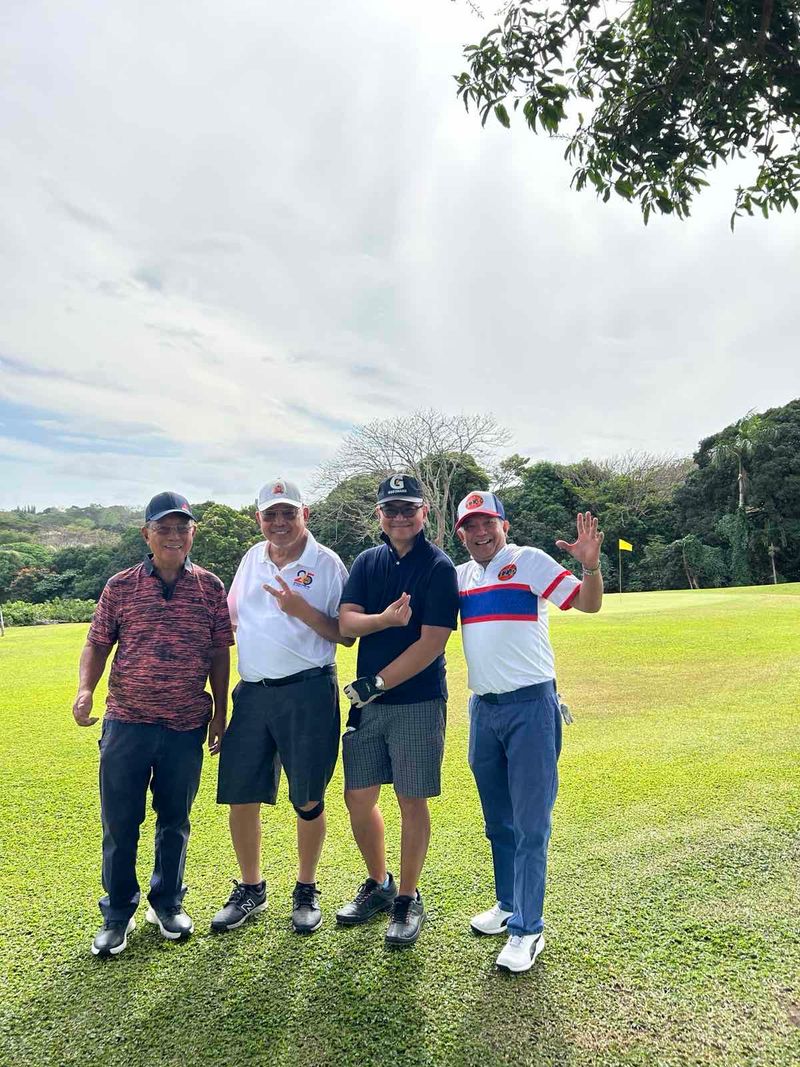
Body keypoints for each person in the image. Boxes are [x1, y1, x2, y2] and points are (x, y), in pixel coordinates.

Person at [72, 492, 233, 957]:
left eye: (182, 527)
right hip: (127, 722)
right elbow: (97, 642)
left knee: (175, 821)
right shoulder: (120, 586)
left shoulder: (210, 587)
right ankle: (117, 912)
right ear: (147, 534)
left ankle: (167, 902)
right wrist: (85, 689)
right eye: (164, 528)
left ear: (193, 533)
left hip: (184, 725)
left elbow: (219, 651)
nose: (173, 536)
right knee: (120, 822)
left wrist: (220, 712)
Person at [454, 492, 604, 973]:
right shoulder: (461, 576)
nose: (481, 533)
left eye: (488, 523)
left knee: (531, 823)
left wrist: (590, 566)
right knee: (498, 821)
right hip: (484, 709)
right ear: (461, 533)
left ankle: (528, 929)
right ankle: (507, 904)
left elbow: (588, 604)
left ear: (505, 525)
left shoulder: (530, 561)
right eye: (471, 526)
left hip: (531, 708)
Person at [211, 479, 352, 935]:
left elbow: (345, 634)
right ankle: (251, 887)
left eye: (288, 513)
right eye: (270, 514)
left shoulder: (327, 563)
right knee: (241, 793)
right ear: (259, 518)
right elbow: (231, 618)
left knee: (307, 796)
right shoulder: (252, 557)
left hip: (307, 691)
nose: (279, 522)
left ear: (304, 514)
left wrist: (300, 609)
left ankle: (306, 887)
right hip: (253, 692)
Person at [336, 474, 460, 947]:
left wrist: (377, 683)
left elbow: (432, 642)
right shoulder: (367, 561)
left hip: (416, 701)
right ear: (380, 515)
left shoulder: (439, 567)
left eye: (409, 508)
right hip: (369, 706)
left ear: (424, 512)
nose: (400, 517)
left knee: (411, 799)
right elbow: (347, 622)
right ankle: (380, 883)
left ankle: (408, 897)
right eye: (391, 509)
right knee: (358, 797)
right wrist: (384, 620)